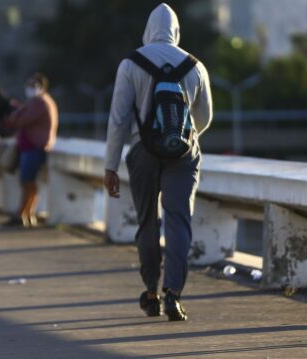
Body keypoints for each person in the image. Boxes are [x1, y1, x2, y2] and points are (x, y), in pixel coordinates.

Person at [104, 3, 212, 321]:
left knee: (148, 221)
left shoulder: (131, 63)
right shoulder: (195, 66)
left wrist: (110, 165)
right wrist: (182, 138)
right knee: (179, 221)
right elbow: (204, 118)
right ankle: (173, 294)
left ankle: (151, 291)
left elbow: (118, 119)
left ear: (148, 30)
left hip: (142, 151)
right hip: (184, 153)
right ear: (176, 32)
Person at [2, 73, 58, 227]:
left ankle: (25, 214)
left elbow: (18, 120)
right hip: (29, 147)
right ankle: (25, 213)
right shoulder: (36, 102)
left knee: (27, 181)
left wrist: (16, 113)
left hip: (34, 148)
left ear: (42, 87)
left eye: (33, 85)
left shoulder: (40, 102)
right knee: (27, 182)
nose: (29, 88)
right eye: (28, 85)